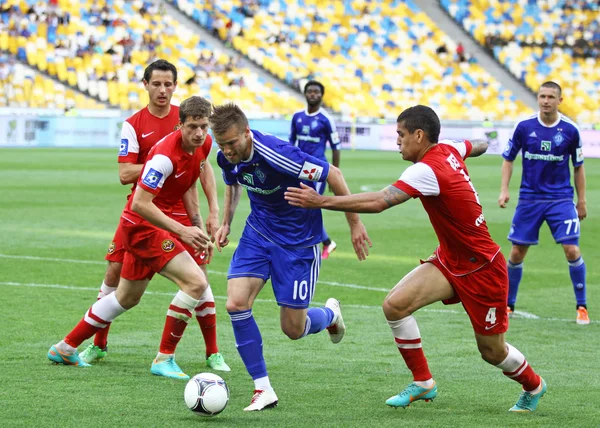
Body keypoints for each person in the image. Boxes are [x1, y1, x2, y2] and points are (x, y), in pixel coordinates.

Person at [285, 105, 546, 413]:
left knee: (491, 351)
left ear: (419, 136)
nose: (397, 141)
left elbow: (381, 200)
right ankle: (423, 382)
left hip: (483, 268)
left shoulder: (425, 169)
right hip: (450, 260)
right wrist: (472, 149)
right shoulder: (448, 149)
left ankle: (534, 384)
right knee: (395, 305)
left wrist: (321, 201)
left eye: (401, 135)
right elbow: (480, 144)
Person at [209, 103, 371, 411]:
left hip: (298, 243)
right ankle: (263, 388)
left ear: (246, 133)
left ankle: (330, 315)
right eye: (222, 145)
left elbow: (333, 174)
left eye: (232, 143)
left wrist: (355, 224)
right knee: (235, 303)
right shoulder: (225, 156)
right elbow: (232, 182)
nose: (227, 150)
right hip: (258, 233)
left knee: (293, 329)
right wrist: (227, 222)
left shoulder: (279, 155)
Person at [48, 96, 223, 378]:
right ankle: (164, 358)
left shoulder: (203, 144)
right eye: (192, 126)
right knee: (196, 282)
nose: (199, 133)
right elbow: (140, 202)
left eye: (203, 126)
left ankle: (65, 347)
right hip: (142, 226)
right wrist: (182, 230)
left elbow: (191, 183)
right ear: (180, 125)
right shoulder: (164, 156)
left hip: (156, 224)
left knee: (126, 297)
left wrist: (200, 225)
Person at [498, 81, 588, 325]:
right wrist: (504, 190)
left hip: (561, 199)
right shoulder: (524, 126)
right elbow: (508, 159)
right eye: (542, 96)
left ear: (560, 100)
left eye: (550, 97)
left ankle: (582, 306)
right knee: (516, 253)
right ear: (537, 99)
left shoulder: (571, 130)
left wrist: (581, 201)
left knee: (572, 250)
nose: (545, 100)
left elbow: (578, 167)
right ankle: (508, 305)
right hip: (529, 199)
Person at [289, 80, 341, 259]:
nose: (313, 94)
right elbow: (291, 143)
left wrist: (334, 176)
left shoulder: (326, 119)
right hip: (299, 167)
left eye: (316, 92)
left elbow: (336, 147)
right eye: (309, 91)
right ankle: (324, 242)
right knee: (298, 205)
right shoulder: (297, 117)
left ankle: (320, 243)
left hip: (317, 170)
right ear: (305, 94)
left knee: (311, 206)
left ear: (321, 95)